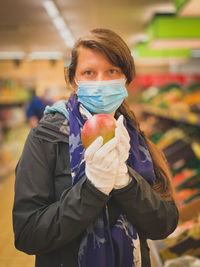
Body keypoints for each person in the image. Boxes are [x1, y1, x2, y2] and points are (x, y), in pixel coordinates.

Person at [13, 28, 179, 267]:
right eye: (89, 72)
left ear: (125, 80)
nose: (101, 82)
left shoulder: (136, 140)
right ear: (74, 81)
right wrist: (93, 189)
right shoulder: (45, 138)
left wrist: (125, 181)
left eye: (112, 71)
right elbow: (28, 234)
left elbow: (164, 224)